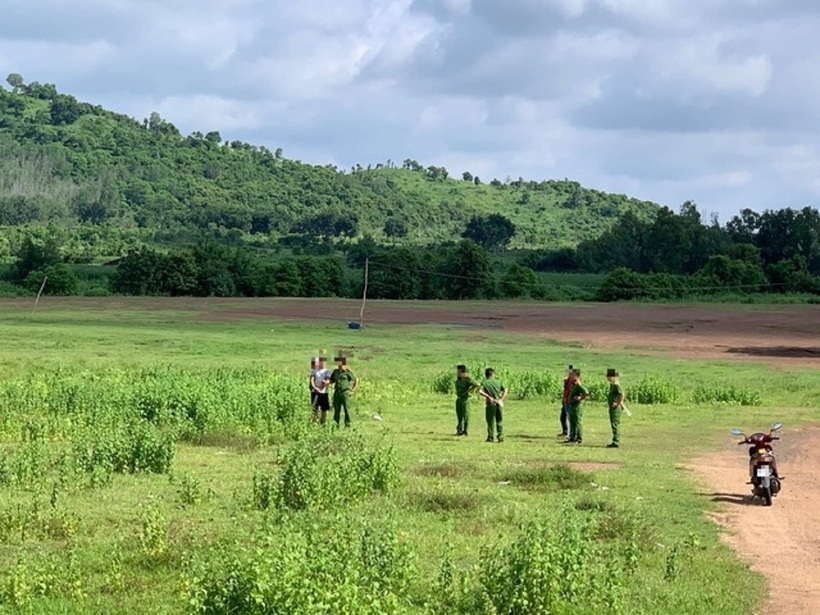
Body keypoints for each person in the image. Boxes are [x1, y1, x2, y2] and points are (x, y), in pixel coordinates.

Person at [479, 368, 508, 443]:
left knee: (490, 421)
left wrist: (488, 397)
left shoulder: (485, 382)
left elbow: (480, 391)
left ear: (486, 375)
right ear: (493, 374)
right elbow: (506, 390)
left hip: (490, 404)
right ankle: (500, 436)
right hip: (499, 403)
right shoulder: (498, 381)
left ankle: (490, 437)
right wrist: (502, 399)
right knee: (499, 420)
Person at [330, 355, 358, 427]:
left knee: (346, 410)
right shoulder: (335, 372)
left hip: (345, 393)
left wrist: (353, 390)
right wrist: (327, 382)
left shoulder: (347, 372)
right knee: (336, 409)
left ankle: (347, 425)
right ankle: (336, 424)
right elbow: (331, 380)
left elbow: (356, 380)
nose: (339, 365)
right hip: (337, 393)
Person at [565, 368, 588, 444]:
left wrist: (580, 398)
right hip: (571, 405)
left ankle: (578, 438)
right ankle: (572, 437)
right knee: (572, 422)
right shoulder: (573, 383)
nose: (571, 376)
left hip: (577, 406)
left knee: (577, 422)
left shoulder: (578, 384)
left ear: (577, 376)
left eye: (573, 374)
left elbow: (586, 392)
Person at [454, 365, 478, 436]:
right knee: (459, 416)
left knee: (466, 416)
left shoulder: (467, 380)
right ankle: (459, 430)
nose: (458, 372)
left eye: (460, 371)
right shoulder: (458, 380)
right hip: (458, 399)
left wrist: (468, 391)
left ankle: (465, 431)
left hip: (465, 399)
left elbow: (477, 384)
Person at [606, 368, 625, 448]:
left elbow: (621, 394)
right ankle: (615, 440)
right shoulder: (612, 385)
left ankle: (616, 441)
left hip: (615, 408)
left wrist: (618, 403)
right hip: (612, 407)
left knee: (615, 423)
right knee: (613, 423)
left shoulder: (617, 385)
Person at [310, 356, 331, 424]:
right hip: (314, 392)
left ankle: (323, 422)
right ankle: (314, 422)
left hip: (324, 392)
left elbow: (327, 380)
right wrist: (315, 388)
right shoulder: (314, 370)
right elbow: (312, 380)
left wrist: (321, 388)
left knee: (324, 409)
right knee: (314, 408)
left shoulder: (327, 371)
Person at [558, 364, 574, 438]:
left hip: (568, 401)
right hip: (565, 401)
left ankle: (569, 433)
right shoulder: (567, 380)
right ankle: (565, 431)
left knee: (569, 418)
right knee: (563, 417)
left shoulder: (573, 381)